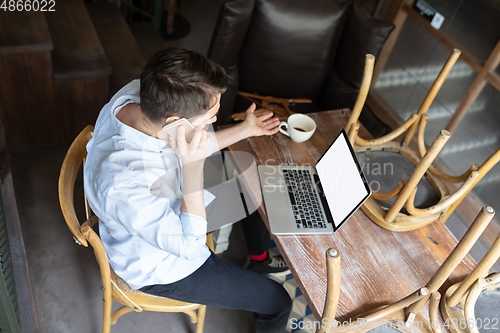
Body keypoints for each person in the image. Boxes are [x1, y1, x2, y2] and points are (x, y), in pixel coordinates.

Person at [83, 47, 292, 332]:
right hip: (161, 262)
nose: (214, 122)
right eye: (209, 118)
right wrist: (192, 167)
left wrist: (245, 129)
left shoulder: (138, 95)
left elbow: (194, 144)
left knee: (252, 182)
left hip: (168, 192)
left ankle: (259, 257)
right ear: (174, 123)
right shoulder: (124, 185)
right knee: (278, 300)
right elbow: (189, 248)